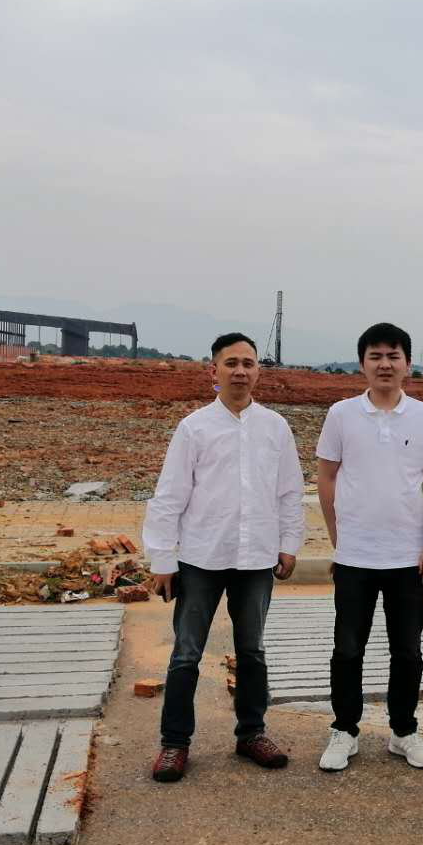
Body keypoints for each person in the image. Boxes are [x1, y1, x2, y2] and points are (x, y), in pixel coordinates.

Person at [143, 332, 304, 781]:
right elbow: (170, 495)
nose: (240, 371)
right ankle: (175, 743)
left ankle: (251, 733)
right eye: (231, 363)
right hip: (201, 557)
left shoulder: (275, 427)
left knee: (252, 650)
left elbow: (290, 491)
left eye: (248, 363)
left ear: (258, 372)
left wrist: (289, 543)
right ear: (213, 371)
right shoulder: (194, 427)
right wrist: (162, 558)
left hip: (256, 558)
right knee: (186, 653)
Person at [315, 322, 423, 771]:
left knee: (407, 650)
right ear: (362, 364)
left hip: (408, 557)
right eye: (376, 356)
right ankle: (344, 730)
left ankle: (403, 731)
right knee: (347, 649)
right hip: (355, 556)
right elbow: (326, 478)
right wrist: (338, 539)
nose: (385, 364)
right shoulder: (341, 414)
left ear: (407, 364)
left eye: (393, 356)